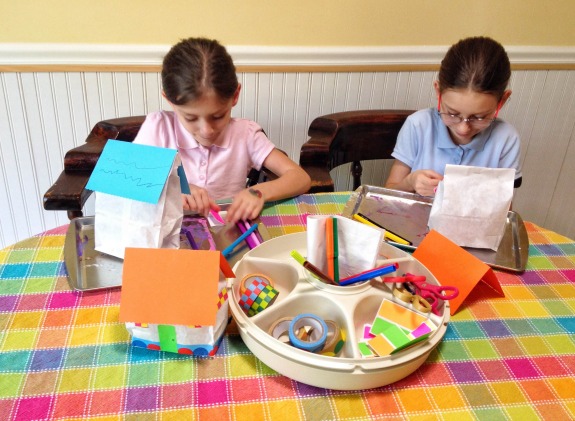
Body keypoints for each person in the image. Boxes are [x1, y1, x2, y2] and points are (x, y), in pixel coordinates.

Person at [133, 37, 311, 223]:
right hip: (165, 237)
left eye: (217, 116)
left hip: (225, 235)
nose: (207, 130)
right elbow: (123, 181)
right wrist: (175, 188)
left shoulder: (245, 134)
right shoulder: (159, 127)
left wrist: (258, 192)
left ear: (235, 96)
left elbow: (300, 178)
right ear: (169, 100)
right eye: (191, 118)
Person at [385, 36, 522, 197]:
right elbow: (388, 192)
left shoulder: (506, 139)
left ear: (502, 101)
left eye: (479, 117)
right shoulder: (418, 125)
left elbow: (504, 207)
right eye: (452, 114)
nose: (463, 129)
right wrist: (410, 182)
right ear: (438, 92)